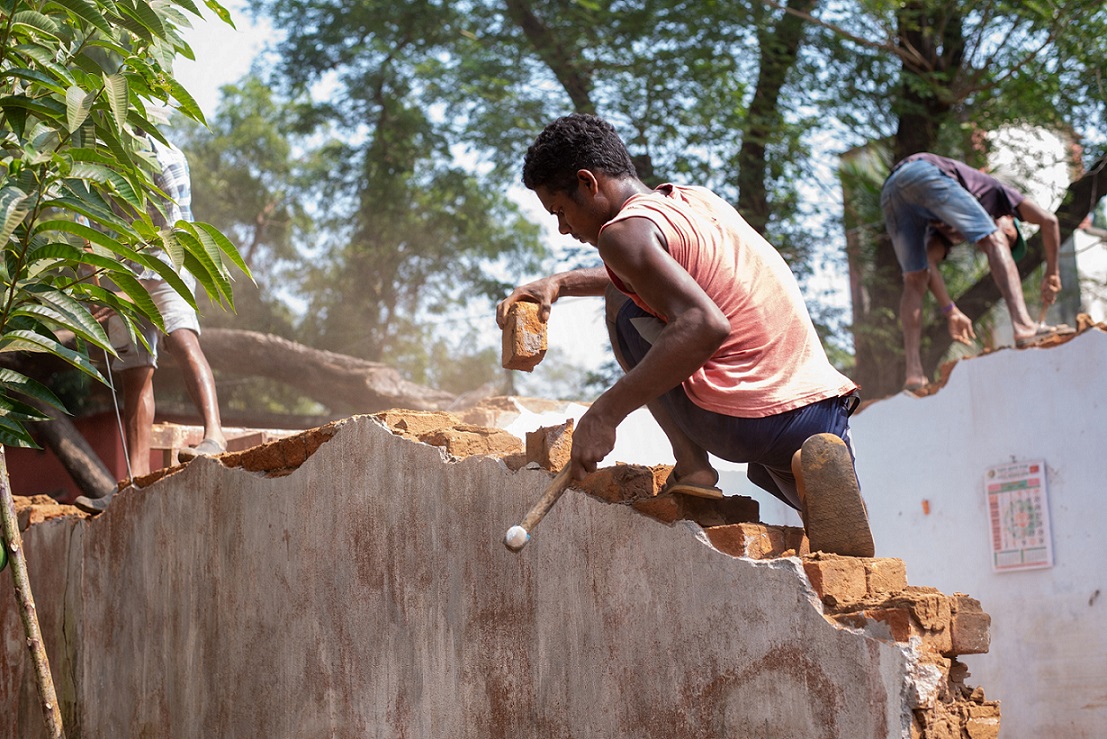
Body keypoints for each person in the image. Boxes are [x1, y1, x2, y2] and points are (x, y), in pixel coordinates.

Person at [497, 114, 873, 556]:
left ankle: (694, 467)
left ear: (587, 182)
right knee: (812, 500)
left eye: (560, 210)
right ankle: (807, 482)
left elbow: (704, 324)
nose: (563, 227)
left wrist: (605, 414)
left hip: (744, 421)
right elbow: (649, 269)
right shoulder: (693, 201)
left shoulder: (619, 236)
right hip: (820, 412)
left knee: (621, 304)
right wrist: (561, 281)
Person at [75, 134, 226, 513]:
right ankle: (134, 483)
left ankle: (214, 436)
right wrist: (95, 293)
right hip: (121, 273)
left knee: (182, 341)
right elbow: (84, 233)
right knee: (134, 373)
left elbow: (173, 234)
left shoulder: (164, 157)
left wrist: (128, 293)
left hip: (167, 265)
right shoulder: (90, 163)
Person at [881, 152, 1073, 394]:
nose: (1007, 239)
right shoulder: (998, 195)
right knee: (992, 238)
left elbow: (929, 263)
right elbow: (1049, 221)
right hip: (922, 171)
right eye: (1011, 237)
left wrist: (950, 311)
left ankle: (914, 374)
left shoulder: (953, 220)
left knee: (914, 278)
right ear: (1008, 218)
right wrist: (1053, 273)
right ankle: (1025, 326)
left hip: (892, 191)